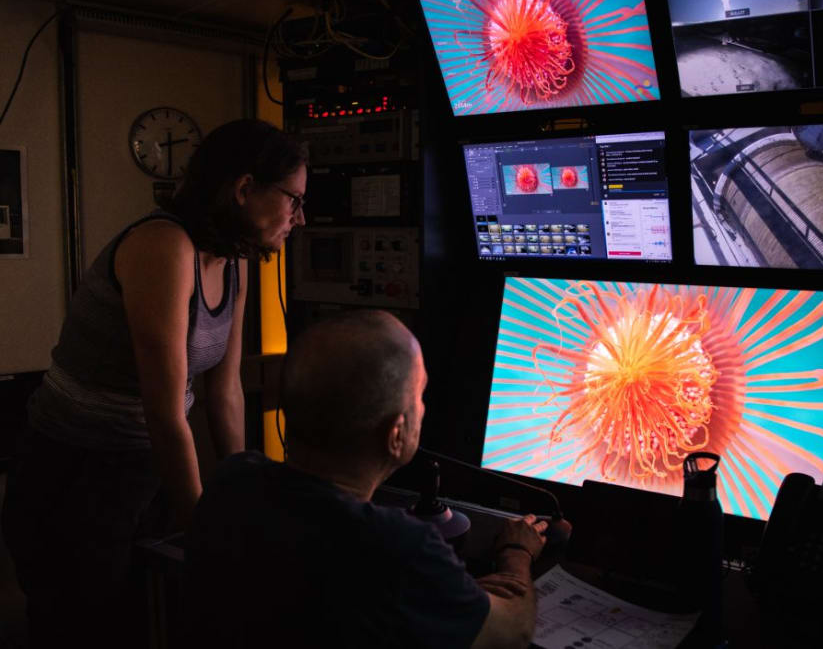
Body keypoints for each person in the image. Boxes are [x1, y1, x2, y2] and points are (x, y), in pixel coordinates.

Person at [1, 119, 308, 648]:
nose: (298, 219)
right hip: (70, 474)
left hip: (143, 466)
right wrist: (206, 536)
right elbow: (165, 413)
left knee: (150, 619)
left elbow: (225, 388)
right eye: (293, 200)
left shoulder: (235, 261)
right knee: (82, 627)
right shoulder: (163, 247)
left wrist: (233, 495)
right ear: (243, 189)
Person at [182, 311, 548, 648]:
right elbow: (513, 631)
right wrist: (517, 553)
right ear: (396, 433)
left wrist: (448, 594)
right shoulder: (398, 547)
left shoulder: (233, 481)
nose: (423, 407)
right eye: (419, 396)